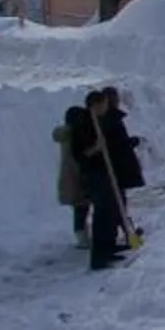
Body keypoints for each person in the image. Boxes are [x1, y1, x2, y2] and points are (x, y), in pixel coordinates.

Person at [81, 90, 135, 270]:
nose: (107, 106)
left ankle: (109, 248)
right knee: (103, 217)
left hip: (108, 174)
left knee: (111, 214)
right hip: (97, 176)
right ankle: (99, 257)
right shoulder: (86, 124)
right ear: (95, 105)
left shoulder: (101, 121)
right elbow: (80, 154)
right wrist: (95, 149)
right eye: (103, 103)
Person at [54, 105, 93, 247]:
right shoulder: (75, 134)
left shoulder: (65, 134)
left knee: (80, 208)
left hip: (69, 176)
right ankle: (83, 237)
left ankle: (82, 236)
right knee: (81, 207)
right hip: (76, 175)